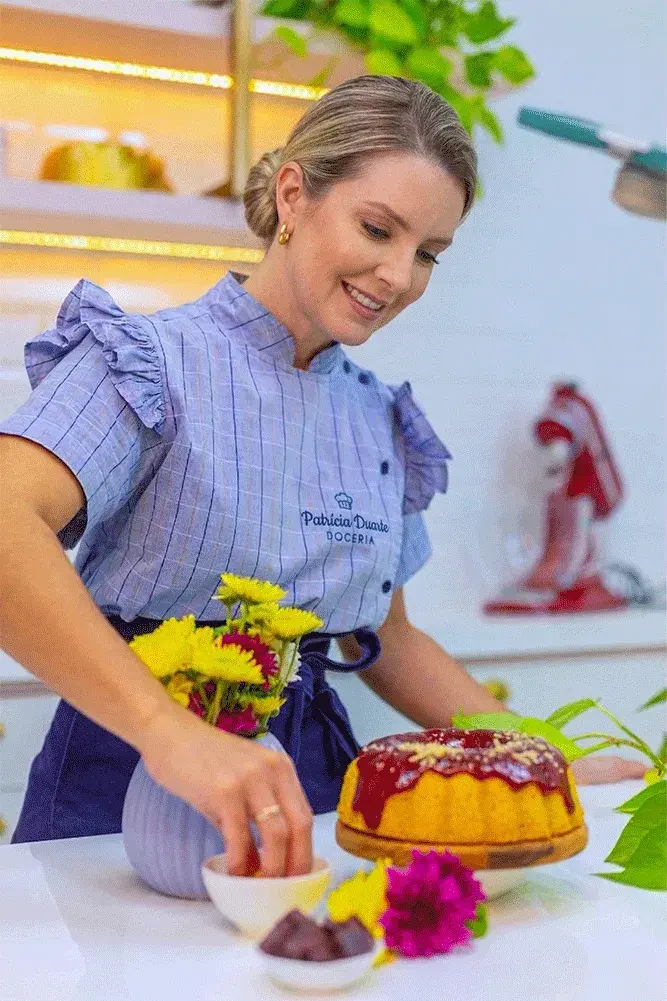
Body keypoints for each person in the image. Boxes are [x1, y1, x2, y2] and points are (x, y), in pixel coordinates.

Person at [0, 75, 645, 877]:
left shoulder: (376, 417)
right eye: (377, 228)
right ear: (294, 194)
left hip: (316, 786)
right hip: (129, 774)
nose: (398, 276)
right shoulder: (149, 362)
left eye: (427, 254)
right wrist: (168, 732)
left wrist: (542, 761)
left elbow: (388, 638)